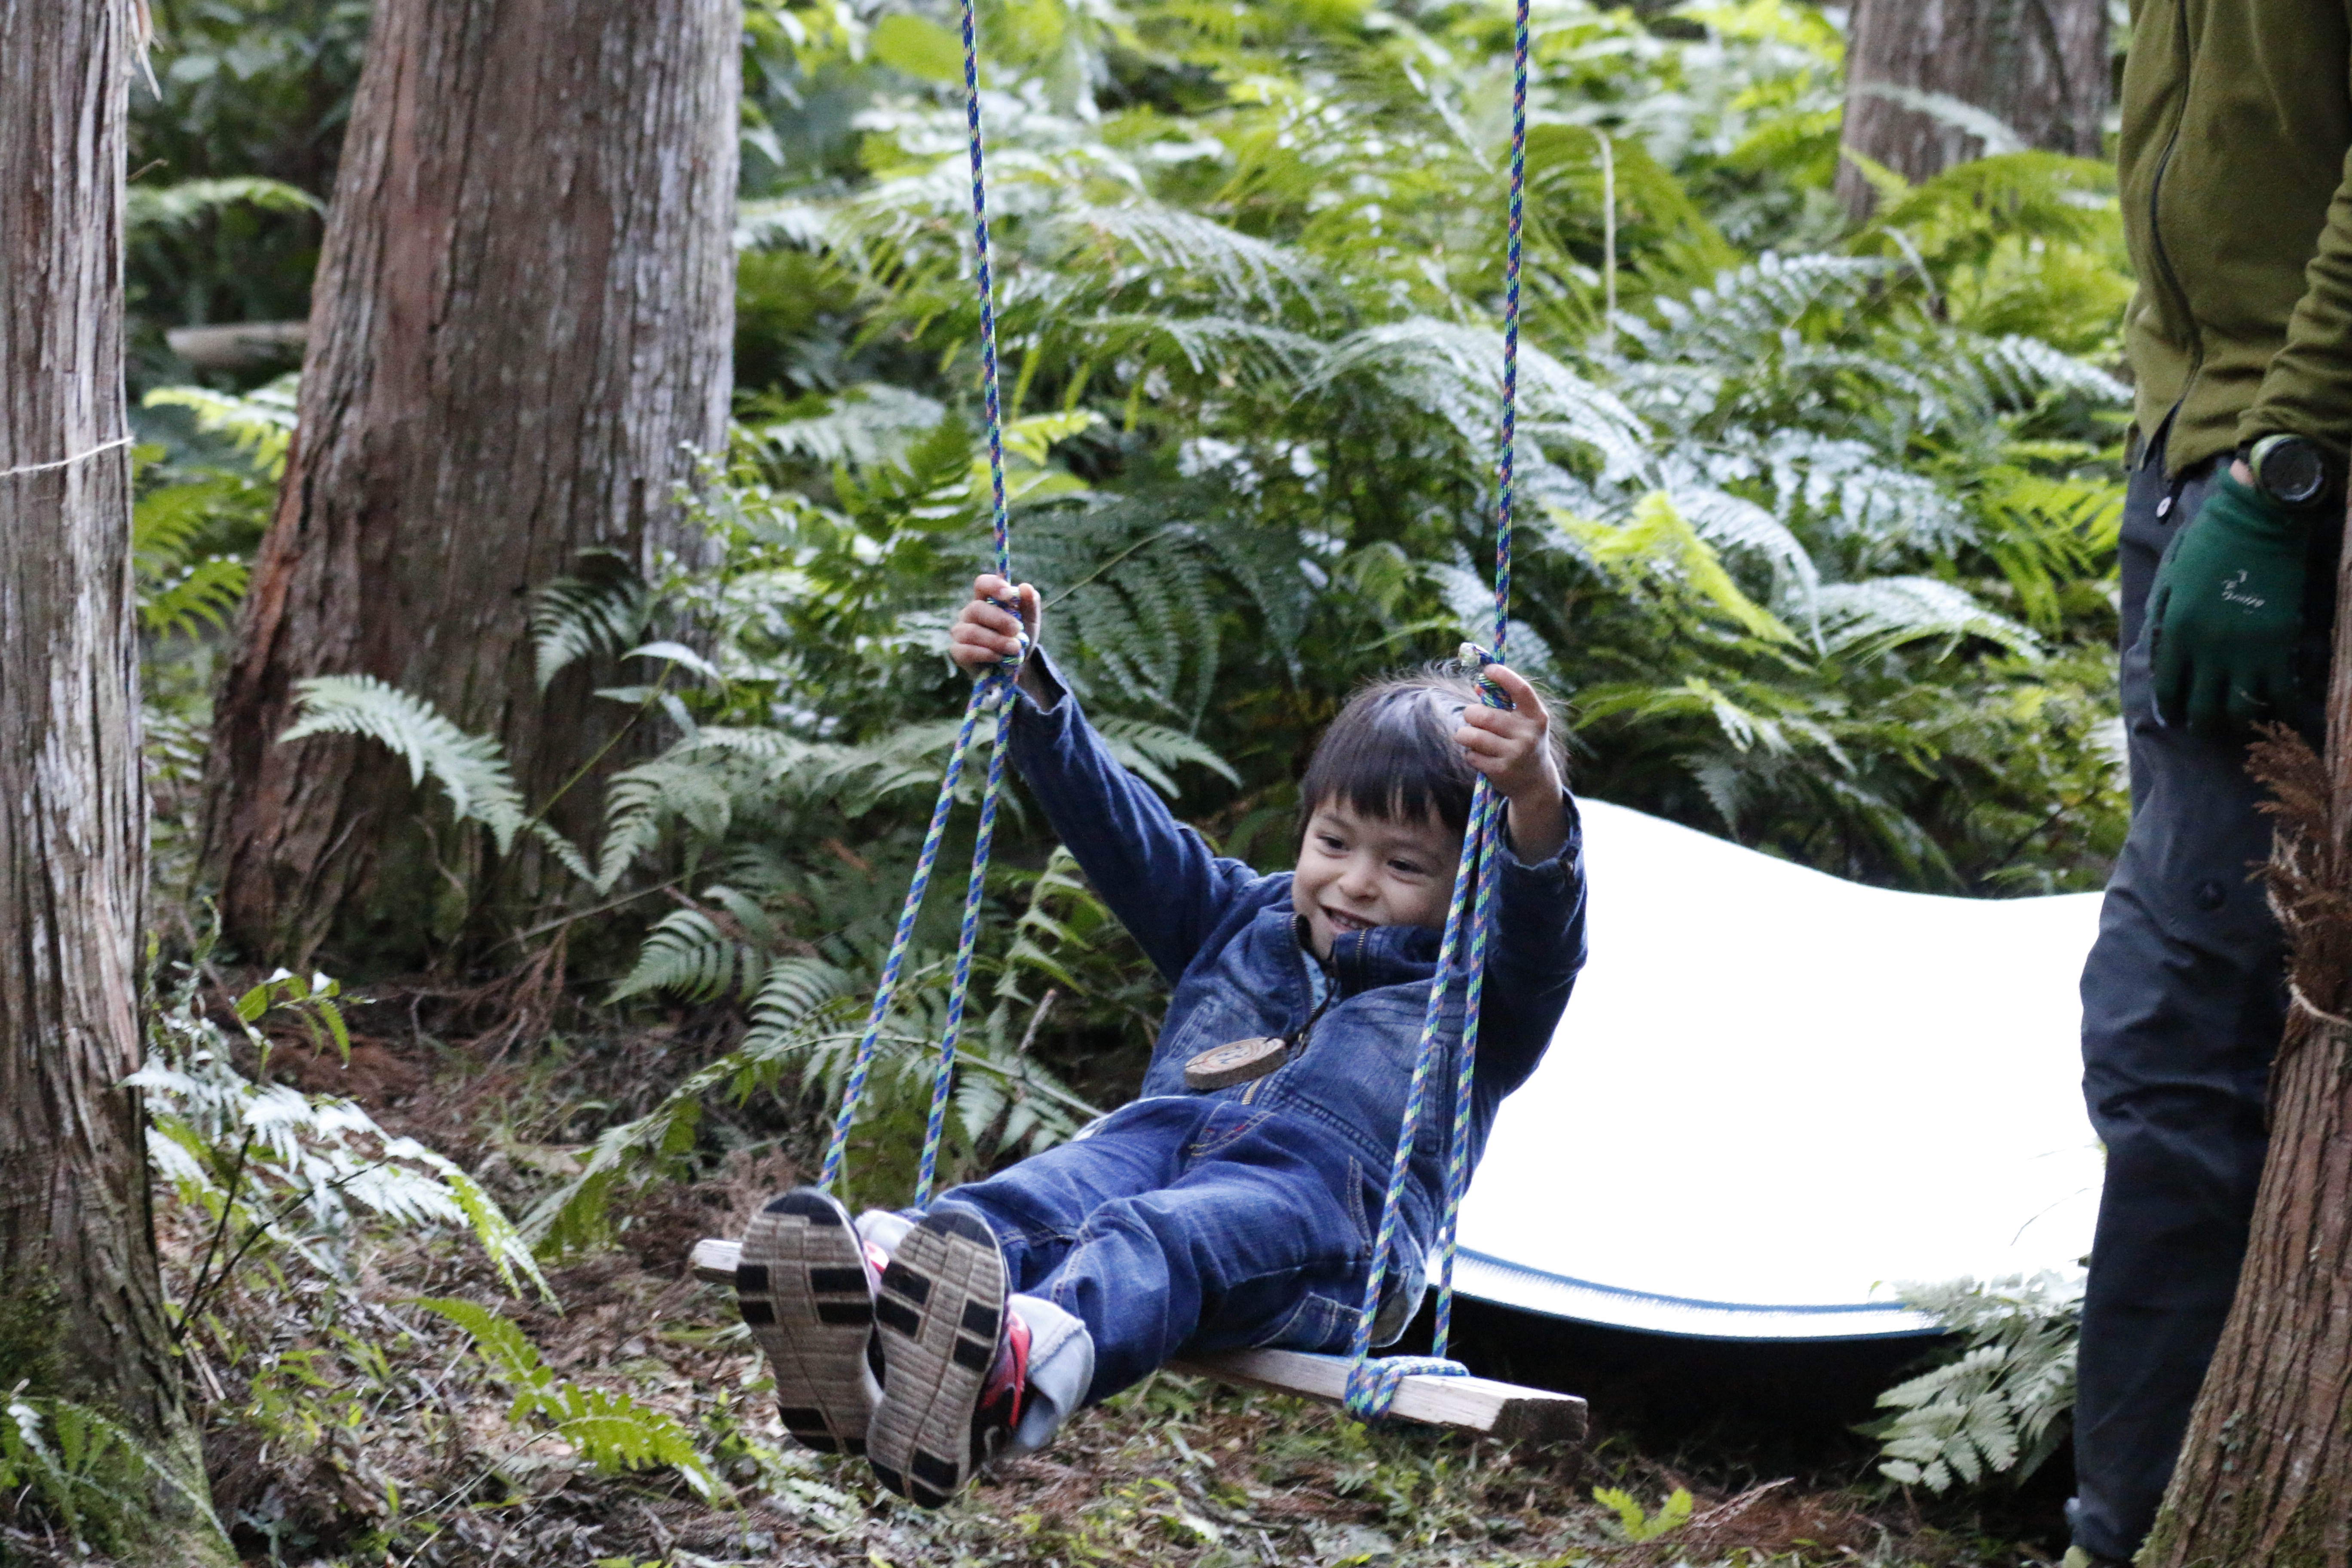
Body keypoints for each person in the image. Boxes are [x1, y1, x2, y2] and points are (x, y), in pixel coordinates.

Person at [731, 573, 1587, 1507]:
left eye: (1405, 864)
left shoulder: (1482, 996)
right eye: (1334, 842)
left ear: (1470, 883)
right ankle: (877, 1320)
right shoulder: (1237, 919)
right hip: (1159, 1146)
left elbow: (1547, 923)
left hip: (1328, 1230)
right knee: (1034, 1198)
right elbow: (1120, 830)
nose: (1355, 882)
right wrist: (1029, 690)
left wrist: (1533, 798)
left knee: (1159, 1234)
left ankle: (1002, 1376)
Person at [2071, 6, 2352, 1564]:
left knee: (2185, 1020)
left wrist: (2288, 448)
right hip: (2192, 448)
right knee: (2172, 1013)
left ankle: (2129, 1526)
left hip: (2280, 466)